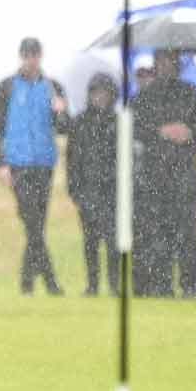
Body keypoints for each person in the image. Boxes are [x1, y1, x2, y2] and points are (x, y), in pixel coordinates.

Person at [0, 37, 71, 296]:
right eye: (27, 54)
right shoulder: (6, 87)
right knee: (31, 222)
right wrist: (0, 164)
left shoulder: (53, 87)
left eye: (35, 54)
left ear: (41, 56)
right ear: (21, 56)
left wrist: (60, 111)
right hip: (18, 163)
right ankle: (51, 282)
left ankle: (27, 284)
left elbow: (65, 127)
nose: (31, 59)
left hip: (44, 163)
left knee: (37, 225)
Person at [131, 49, 196, 299]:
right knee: (156, 231)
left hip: (185, 173)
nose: (165, 65)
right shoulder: (143, 98)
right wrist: (160, 131)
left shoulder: (193, 94)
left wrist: (190, 131)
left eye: (170, 61)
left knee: (187, 231)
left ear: (177, 64)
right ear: (155, 64)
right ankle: (161, 284)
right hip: (152, 175)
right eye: (161, 61)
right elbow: (132, 128)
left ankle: (191, 285)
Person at [66, 72, 120, 297]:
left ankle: (114, 285)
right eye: (96, 93)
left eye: (104, 93)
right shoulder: (79, 122)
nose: (99, 97)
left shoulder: (118, 123)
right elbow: (71, 159)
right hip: (87, 190)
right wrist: (74, 190)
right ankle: (92, 284)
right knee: (90, 241)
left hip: (111, 192)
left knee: (112, 242)